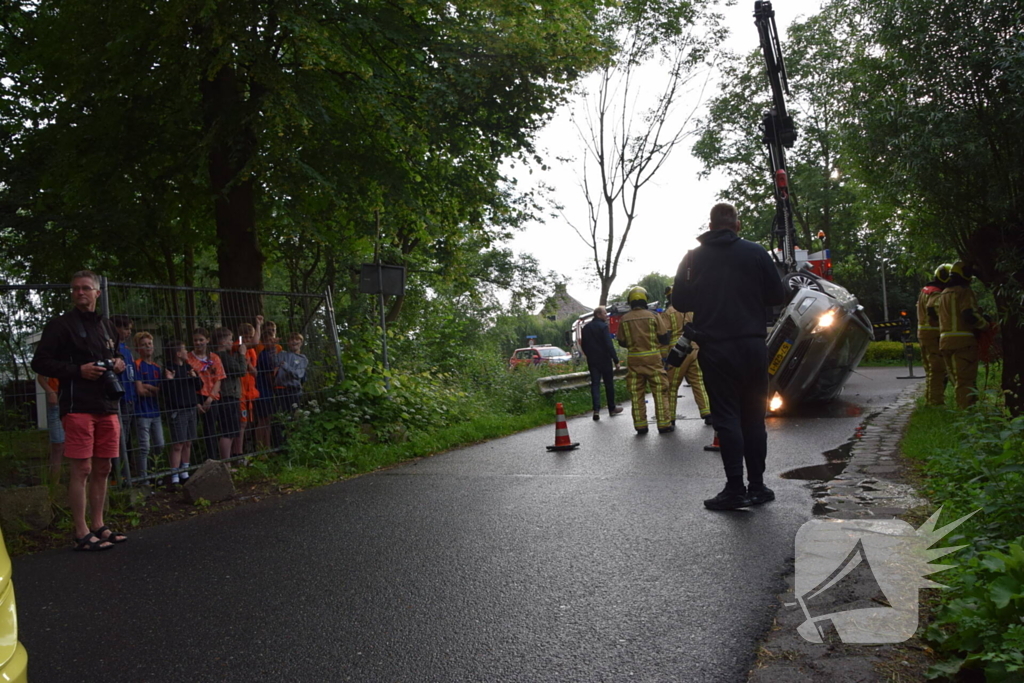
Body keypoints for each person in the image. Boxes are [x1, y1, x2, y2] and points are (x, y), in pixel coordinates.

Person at [673, 203, 786, 511]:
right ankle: (758, 487)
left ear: (710, 226)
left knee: (726, 417)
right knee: (753, 418)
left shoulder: (692, 258)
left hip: (716, 349)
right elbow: (777, 295)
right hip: (752, 346)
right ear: (737, 225)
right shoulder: (756, 253)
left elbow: (680, 302)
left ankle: (735, 488)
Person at [31, 270, 128, 550]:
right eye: (75, 289)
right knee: (82, 468)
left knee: (104, 467)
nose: (80, 292)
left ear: (98, 292)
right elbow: (40, 363)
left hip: (107, 405)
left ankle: (98, 525)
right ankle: (81, 531)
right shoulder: (60, 325)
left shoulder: (107, 326)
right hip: (77, 406)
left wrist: (118, 363)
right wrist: (77, 370)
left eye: (85, 288)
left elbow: (115, 355)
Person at [617, 286, 672, 435]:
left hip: (634, 362)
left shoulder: (624, 319)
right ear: (645, 299)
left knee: (636, 394)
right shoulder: (653, 316)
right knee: (660, 392)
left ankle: (640, 426)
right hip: (653, 361)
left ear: (630, 301)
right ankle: (664, 425)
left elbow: (621, 341)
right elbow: (663, 337)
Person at [938, 261, 989, 409]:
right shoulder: (964, 291)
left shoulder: (943, 293)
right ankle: (967, 413)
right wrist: (986, 325)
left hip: (945, 343)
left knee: (957, 381)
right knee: (965, 381)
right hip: (964, 343)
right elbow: (969, 315)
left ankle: (963, 410)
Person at [660, 287, 711, 426]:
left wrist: (664, 356)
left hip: (678, 351)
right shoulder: (692, 310)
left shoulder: (668, 312)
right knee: (698, 382)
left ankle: (670, 417)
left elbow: (665, 335)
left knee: (672, 385)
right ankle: (707, 413)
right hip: (694, 348)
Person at [163, 339, 202, 486]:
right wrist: (170, 380)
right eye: (184, 349)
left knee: (188, 442)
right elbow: (167, 392)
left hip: (191, 408)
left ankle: (185, 471)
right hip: (178, 410)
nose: (187, 352)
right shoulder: (169, 369)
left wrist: (194, 377)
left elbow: (199, 386)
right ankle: (174, 476)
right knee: (178, 443)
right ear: (178, 353)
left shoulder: (188, 367)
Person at [188, 327, 226, 461]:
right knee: (191, 431)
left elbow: (219, 379)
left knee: (210, 430)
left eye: (201, 340)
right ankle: (191, 461)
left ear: (207, 340)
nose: (198, 343)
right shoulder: (188, 358)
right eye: (195, 340)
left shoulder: (214, 358)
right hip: (195, 396)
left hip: (211, 396)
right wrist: (195, 402)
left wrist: (210, 398)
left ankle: (212, 459)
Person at [580, 306, 623, 420]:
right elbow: (609, 344)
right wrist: (616, 360)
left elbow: (583, 344)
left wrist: (589, 355)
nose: (606, 315)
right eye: (604, 313)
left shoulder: (586, 328)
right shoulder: (603, 327)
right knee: (609, 384)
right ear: (598, 314)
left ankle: (596, 410)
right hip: (604, 359)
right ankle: (612, 409)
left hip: (592, 360)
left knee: (595, 384)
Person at [917, 264, 952, 406]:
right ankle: (936, 402)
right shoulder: (936, 293)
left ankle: (930, 400)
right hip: (933, 334)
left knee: (931, 370)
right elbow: (934, 309)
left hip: (924, 334)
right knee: (938, 370)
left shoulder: (926, 290)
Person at [132, 331, 164, 481]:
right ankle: (143, 478)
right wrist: (153, 390)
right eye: (143, 345)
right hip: (142, 412)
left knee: (160, 444)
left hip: (155, 411)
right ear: (138, 348)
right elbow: (139, 390)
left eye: (149, 344)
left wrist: (149, 387)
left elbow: (161, 392)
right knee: (144, 446)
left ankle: (155, 474)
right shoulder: (137, 365)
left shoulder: (157, 367)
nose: (147, 347)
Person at [212, 327, 246, 461]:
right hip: (228, 395)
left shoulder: (222, 356)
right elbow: (241, 370)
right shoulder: (223, 357)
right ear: (222, 342)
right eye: (230, 340)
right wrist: (242, 355)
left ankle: (229, 460)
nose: (232, 342)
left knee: (231, 430)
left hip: (229, 394)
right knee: (228, 431)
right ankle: (226, 462)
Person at [111, 314, 138, 480]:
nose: (128, 332)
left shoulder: (126, 350)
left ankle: (125, 472)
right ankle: (118, 475)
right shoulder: (112, 349)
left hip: (130, 398)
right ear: (116, 328)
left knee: (126, 437)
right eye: (126, 328)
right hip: (119, 400)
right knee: (118, 437)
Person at [35, 374, 65, 483]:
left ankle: (80, 481)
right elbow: (40, 377)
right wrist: (50, 392)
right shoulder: (53, 363)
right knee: (57, 445)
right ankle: (54, 484)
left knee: (81, 443)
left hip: (76, 404)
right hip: (56, 402)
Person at [274, 332, 309, 417]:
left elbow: (299, 374)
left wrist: (286, 367)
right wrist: (273, 346)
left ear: (301, 342)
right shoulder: (282, 354)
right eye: (291, 339)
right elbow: (273, 362)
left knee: (294, 415)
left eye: (297, 339)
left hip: (294, 391)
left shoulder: (302, 359)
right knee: (281, 416)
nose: (294, 341)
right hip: (280, 390)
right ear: (288, 343)